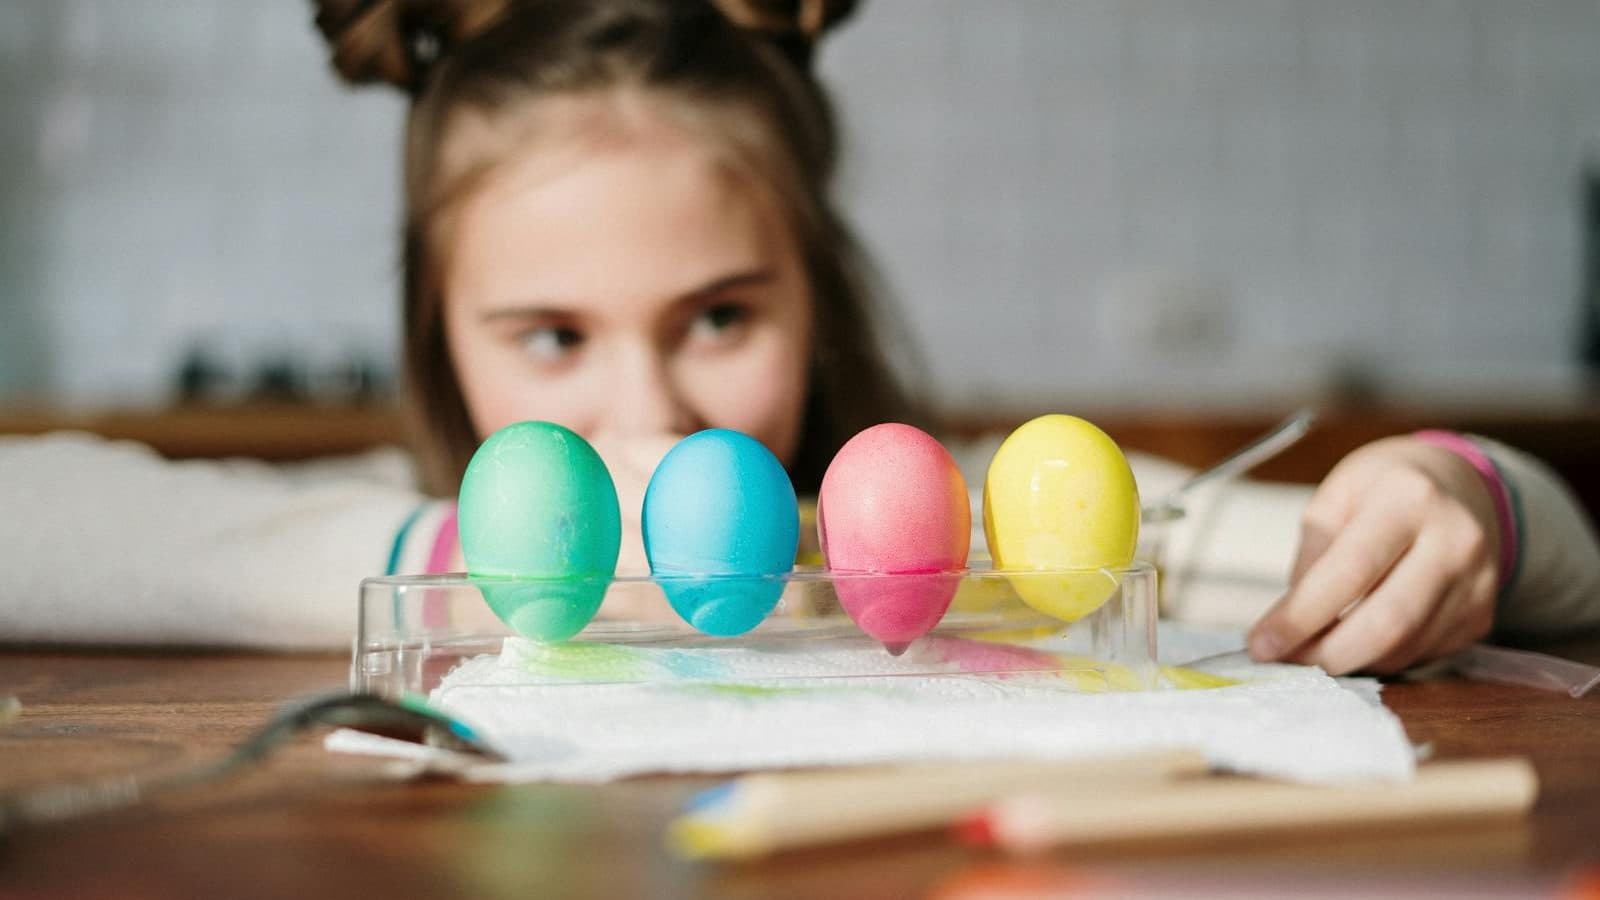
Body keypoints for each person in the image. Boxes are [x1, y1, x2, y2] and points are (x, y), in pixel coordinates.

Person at [2, 0, 1597, 674]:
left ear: (811, 289)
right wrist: (464, 560)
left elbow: (1567, 552)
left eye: (718, 316)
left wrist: (1466, 501)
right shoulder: (398, 531)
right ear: (438, 334)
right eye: (549, 336)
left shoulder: (960, 520)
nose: (652, 416)